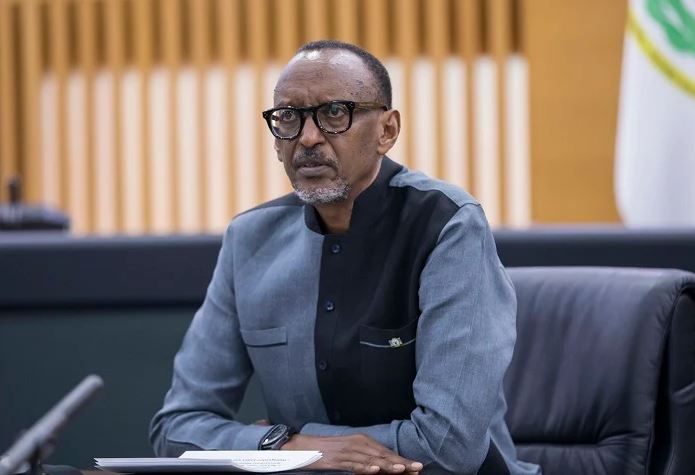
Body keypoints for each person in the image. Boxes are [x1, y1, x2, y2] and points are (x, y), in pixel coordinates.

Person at [150, 40, 540, 475]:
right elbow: (176, 429)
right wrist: (286, 445)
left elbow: (451, 446)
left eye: (335, 113)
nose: (308, 137)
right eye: (289, 117)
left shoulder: (446, 224)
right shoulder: (250, 240)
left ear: (387, 131)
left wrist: (303, 447)